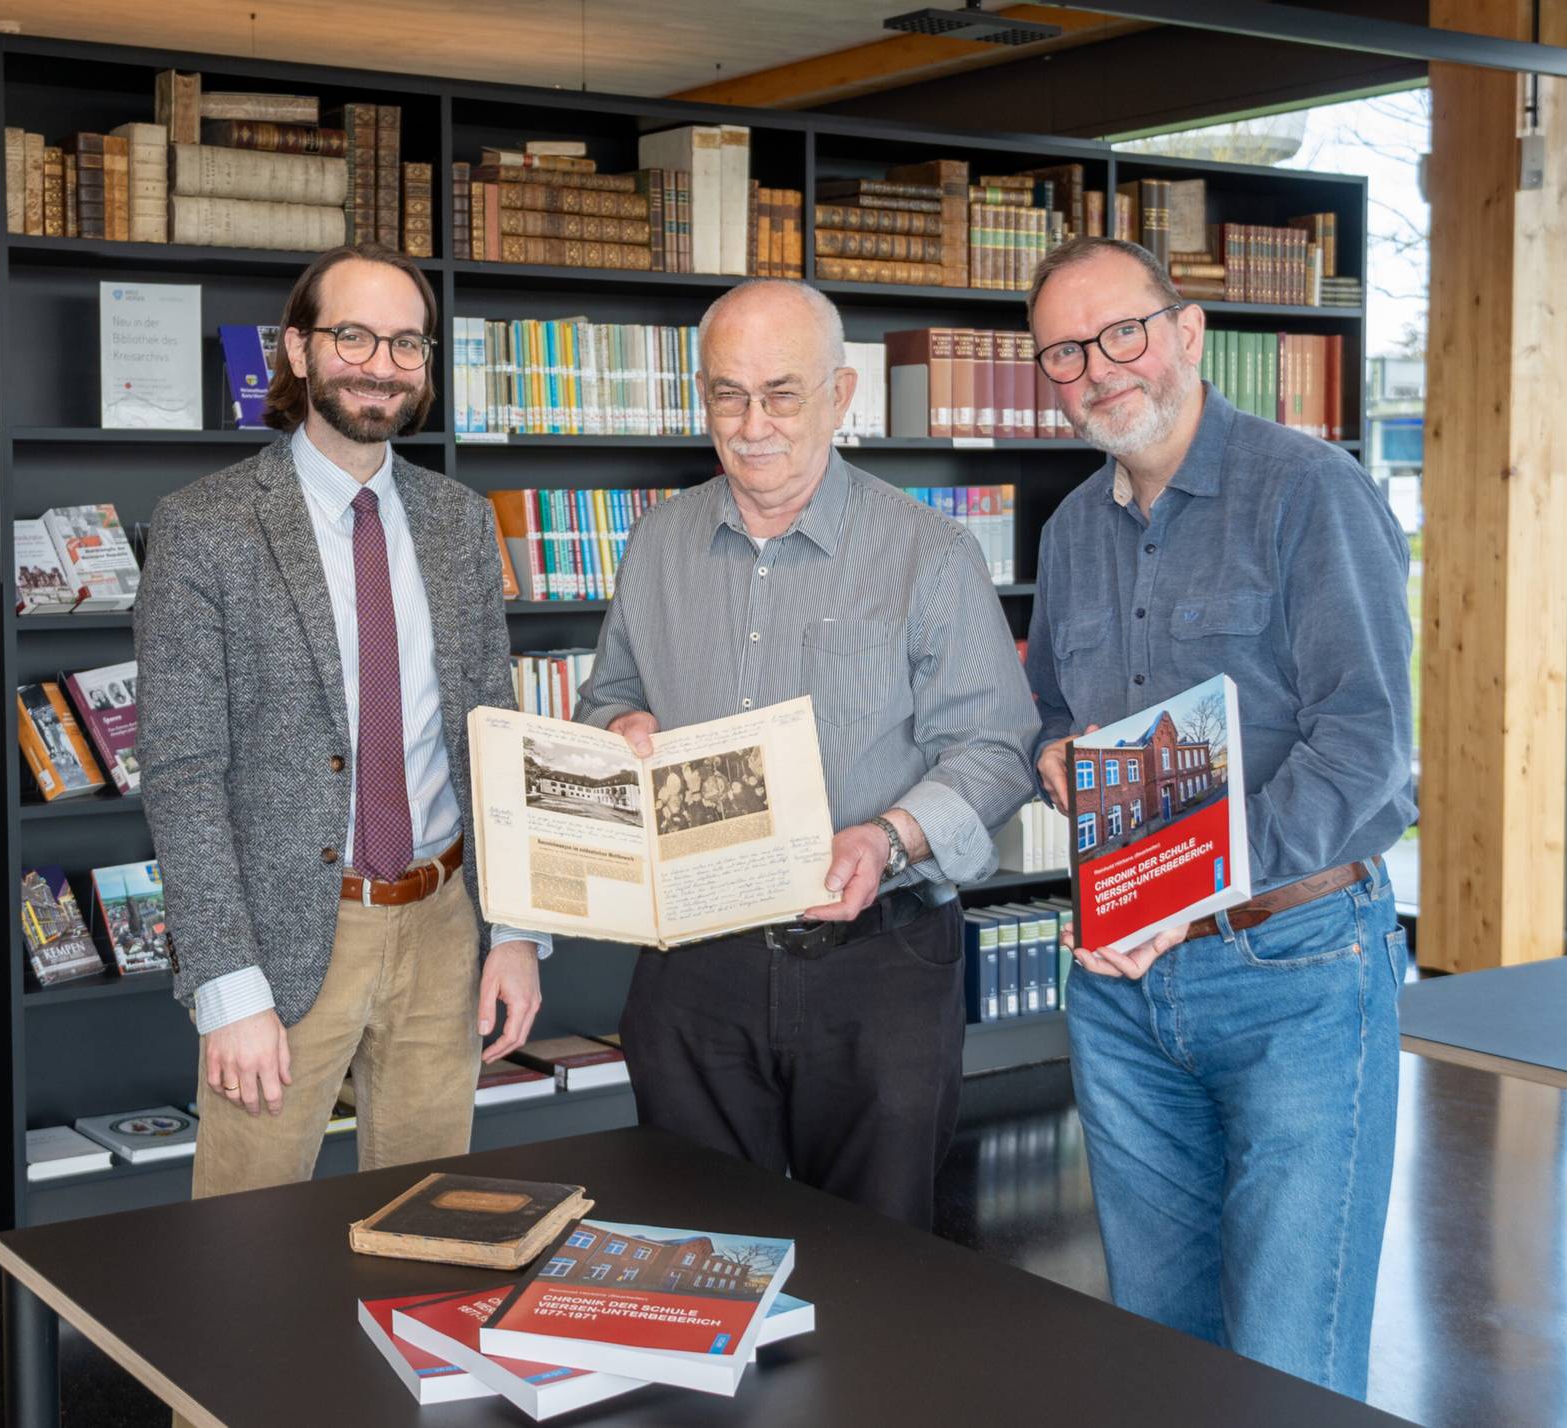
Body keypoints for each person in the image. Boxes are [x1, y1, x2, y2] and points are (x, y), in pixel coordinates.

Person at [1022, 236, 1414, 1399]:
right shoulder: (1071, 532)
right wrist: (1052, 756)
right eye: (1064, 353)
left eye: (1121, 333)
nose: (1098, 369)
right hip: (1122, 992)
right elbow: (1053, 712)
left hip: (1296, 969)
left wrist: (1193, 877)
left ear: (1188, 333)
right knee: (1161, 1356)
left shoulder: (1310, 491)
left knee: (1291, 1364)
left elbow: (1365, 749)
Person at [574, 278, 1039, 1229]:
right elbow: (609, 693)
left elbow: (996, 749)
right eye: (728, 395)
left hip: (878, 964)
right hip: (694, 965)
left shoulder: (931, 553)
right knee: (698, 1250)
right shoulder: (657, 542)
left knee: (877, 1262)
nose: (754, 426)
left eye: (782, 394)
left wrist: (890, 837)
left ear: (840, 395)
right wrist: (619, 729)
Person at [137, 243, 548, 1214]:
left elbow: (494, 733)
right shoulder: (206, 526)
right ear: (298, 349)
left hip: (445, 925)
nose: (380, 364)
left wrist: (517, 932)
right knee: (243, 1239)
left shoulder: (458, 522)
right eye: (353, 336)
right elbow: (183, 772)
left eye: (406, 343)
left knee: (432, 1222)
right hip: (283, 939)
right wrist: (228, 985)